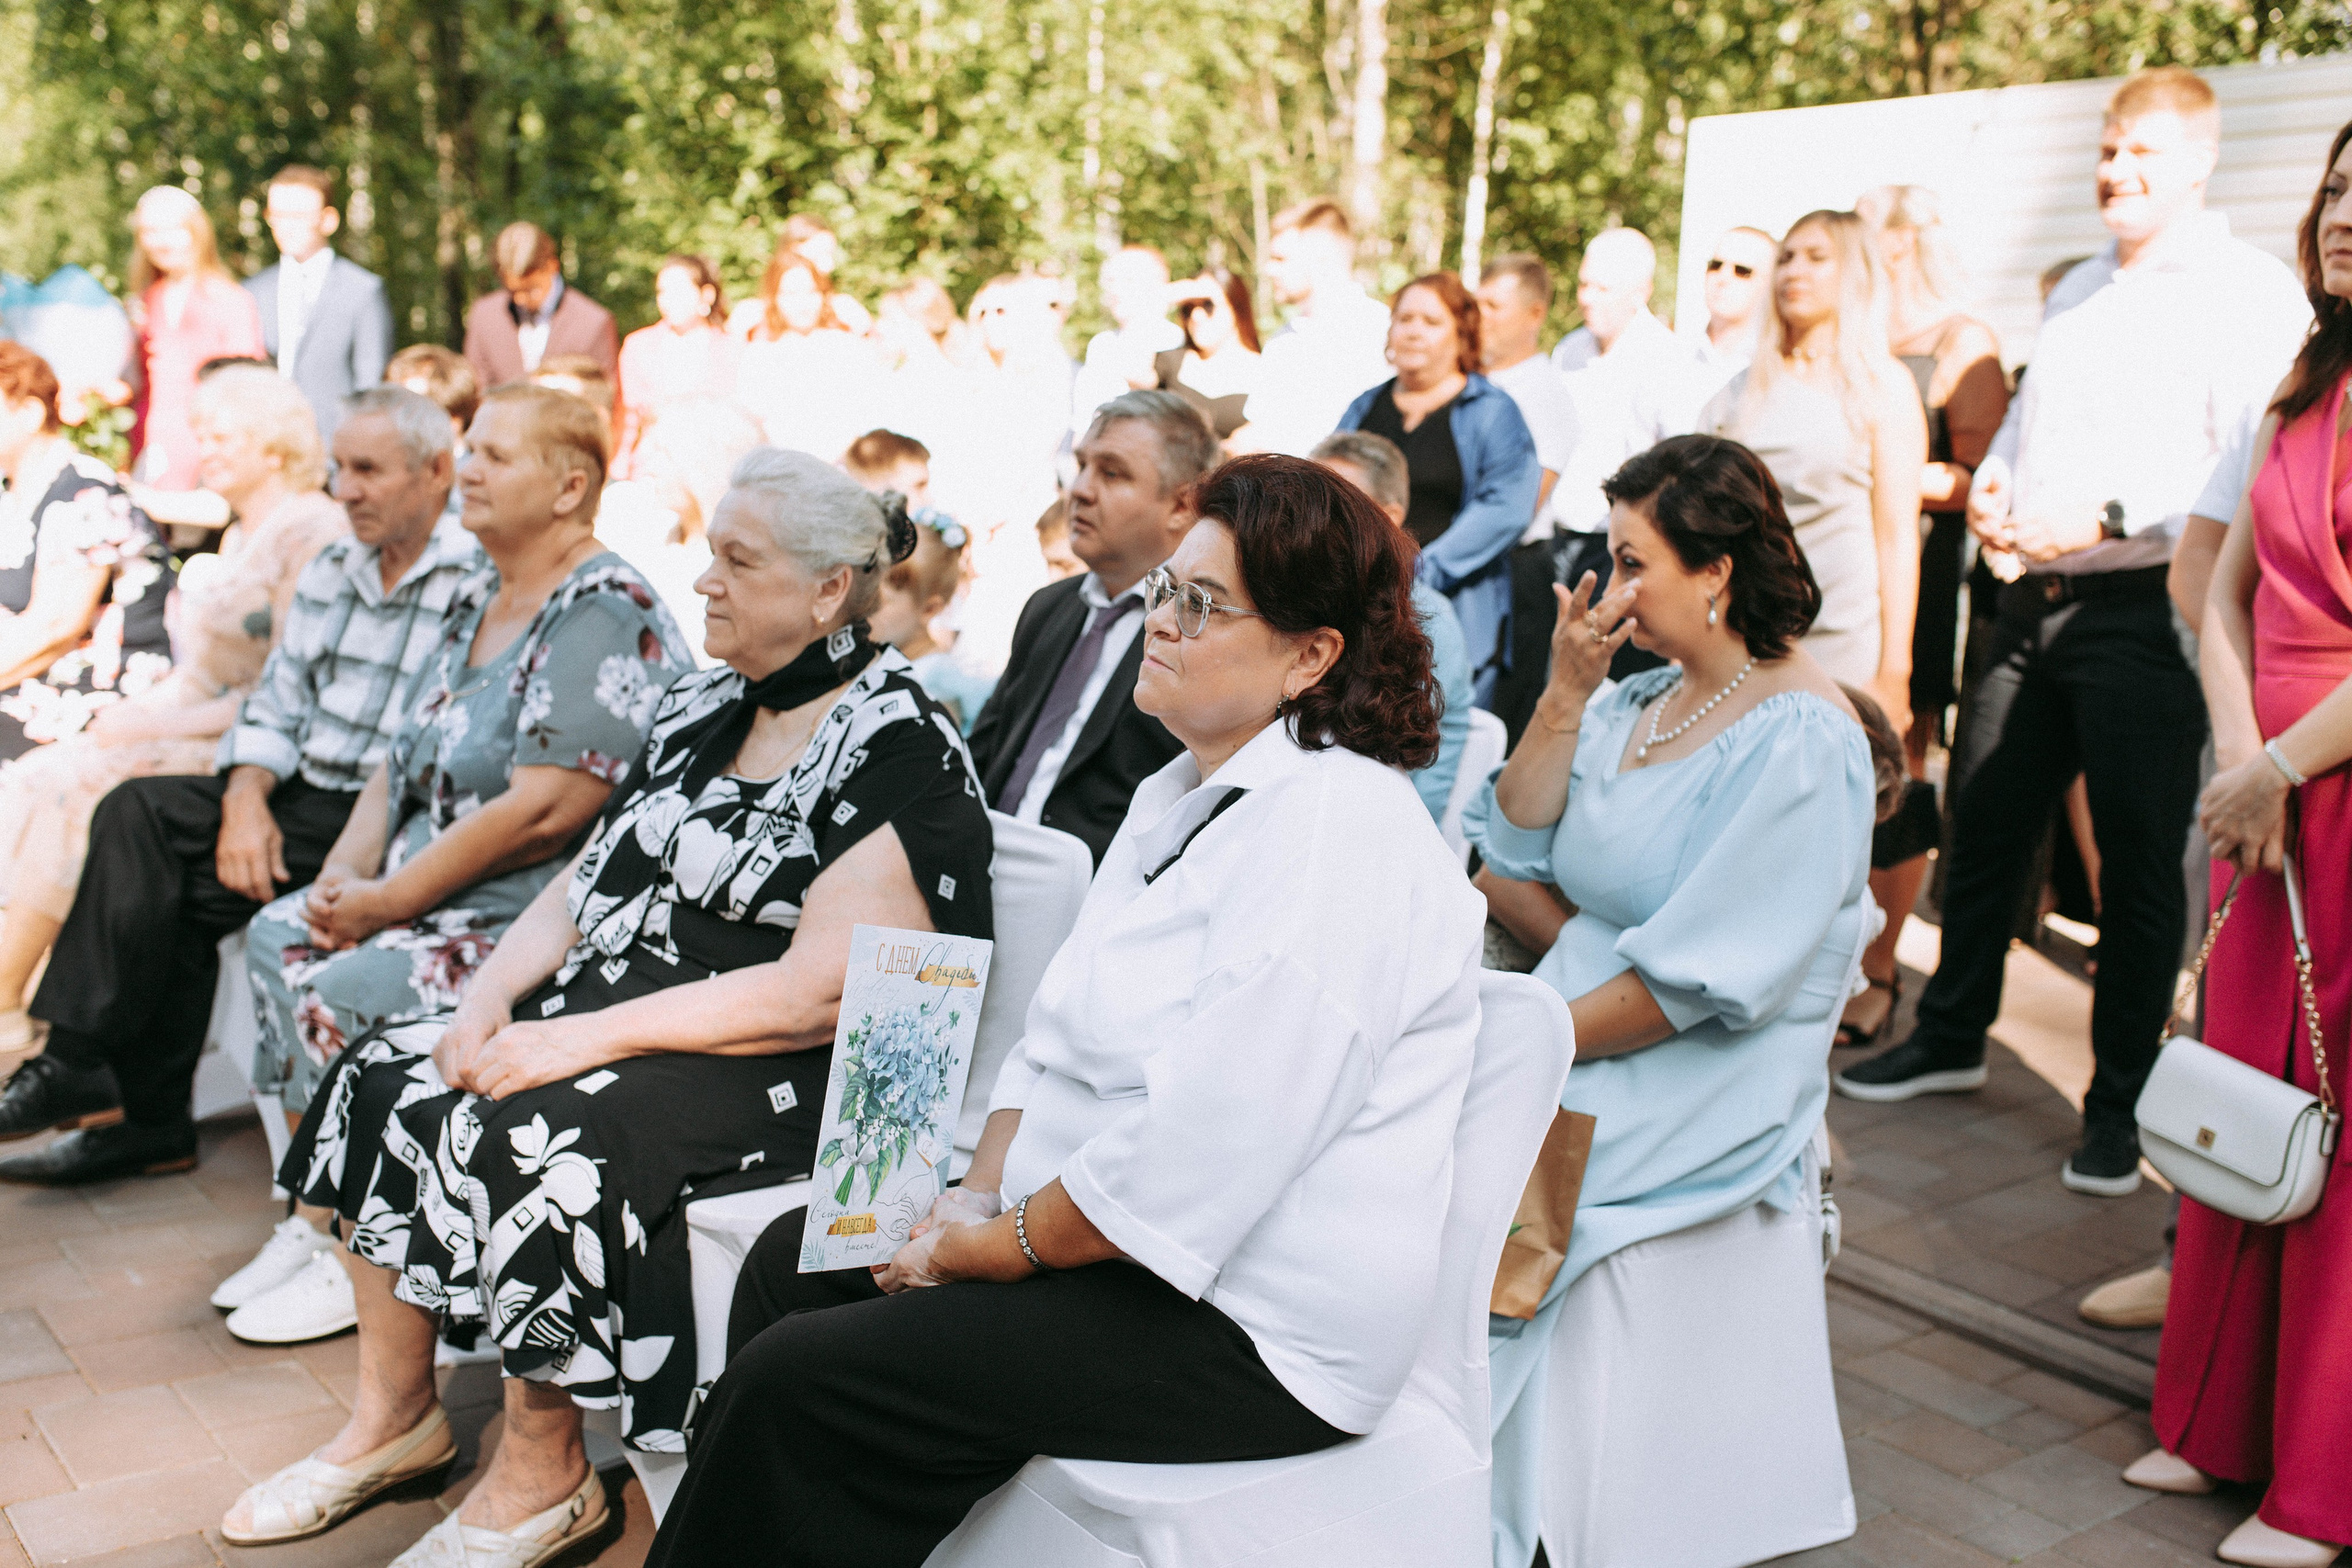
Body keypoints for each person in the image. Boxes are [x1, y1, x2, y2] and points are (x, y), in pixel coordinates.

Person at [650, 454, 1480, 1568]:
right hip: (1101, 1243)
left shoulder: (1343, 836)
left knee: (801, 1384)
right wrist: (972, 1192)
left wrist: (977, 1251)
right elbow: (1051, 1045)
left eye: (1202, 604)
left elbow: (1205, 1150)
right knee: (794, 1261)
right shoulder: (1176, 789)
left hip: (1249, 1321)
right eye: (1164, 592)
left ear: (1310, 655)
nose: (1163, 623)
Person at [220, 451, 990, 1563]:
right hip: (641, 1013)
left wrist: (570, 1039)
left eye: (737, 560)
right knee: (389, 1071)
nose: (705, 580)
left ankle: (543, 1476)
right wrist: (486, 1003)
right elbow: (587, 881)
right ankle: (395, 1422)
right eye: (710, 552)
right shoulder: (703, 702)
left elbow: (817, 994)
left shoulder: (899, 743)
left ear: (829, 590)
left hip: (811, 1070)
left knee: (544, 1132)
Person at [1834, 69, 2315, 1203]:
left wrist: (2098, 518)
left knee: (2143, 865)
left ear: (2198, 162)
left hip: (2143, 612)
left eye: (2142, 153)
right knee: (1987, 824)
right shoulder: (2081, 288)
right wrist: (1999, 489)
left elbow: (2236, 468)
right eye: (2106, 150)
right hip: (2028, 605)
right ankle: (1949, 1035)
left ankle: (2118, 1107)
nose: (2115, 171)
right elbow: (2026, 432)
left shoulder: (2246, 294)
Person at [1472, 434, 1873, 1568]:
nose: (1612, 591)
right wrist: (1561, 693)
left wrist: (1525, 1039)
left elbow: (1693, 987)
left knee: (1492, 1180)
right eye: (1610, 557)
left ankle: (1524, 1511)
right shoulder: (1639, 698)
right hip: (1590, 1019)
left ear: (1717, 571)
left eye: (1635, 562)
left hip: (1701, 1060)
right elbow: (1515, 835)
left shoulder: (1800, 738)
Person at [219, 384, 689, 1346]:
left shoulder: (607, 607)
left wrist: (386, 902)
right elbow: (402, 756)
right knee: (285, 928)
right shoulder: (479, 588)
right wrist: (346, 882)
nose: (467, 471)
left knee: (347, 980)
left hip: (531, 916)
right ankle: (320, 1220)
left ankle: (364, 1238)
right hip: (440, 889)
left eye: (494, 457)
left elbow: (543, 810)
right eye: (467, 451)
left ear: (569, 488)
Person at [0, 388, 476, 1185]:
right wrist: (245, 798)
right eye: (339, 469)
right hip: (299, 790)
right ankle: (109, 1088)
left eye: (368, 471)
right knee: (138, 818)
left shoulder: (471, 576)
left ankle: (108, 1085)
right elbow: (276, 700)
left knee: (171, 880)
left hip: (384, 817)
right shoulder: (335, 566)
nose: (347, 489)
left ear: (435, 471)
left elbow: (425, 752)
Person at [2122, 122, 2352, 1568]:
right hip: (2257, 795)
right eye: (2340, 192)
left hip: (2332, 785)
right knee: (2234, 1091)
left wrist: (2278, 760)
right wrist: (2232, 757)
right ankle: (2212, 1422)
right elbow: (2215, 591)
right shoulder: (2296, 389)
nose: (2346, 219)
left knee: (2336, 1111)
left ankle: (2318, 1484)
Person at [0, 365, 344, 1050]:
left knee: (73, 784)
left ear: (271, 445)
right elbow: (200, 674)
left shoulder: (310, 531)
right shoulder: (244, 530)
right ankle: (23, 1006)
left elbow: (285, 688)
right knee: (46, 769)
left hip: (262, 745)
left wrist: (150, 724)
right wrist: (133, 715)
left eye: (218, 437)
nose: (203, 450)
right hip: (202, 717)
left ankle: (19, 1013)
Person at [1699, 210, 1929, 1064]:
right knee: (1752, 821)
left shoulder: (1880, 387)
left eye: (1816, 256)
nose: (1794, 269)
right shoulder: (1740, 388)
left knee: (1852, 828)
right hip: (1748, 640)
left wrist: (1898, 669)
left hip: (1846, 640)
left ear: (1855, 273)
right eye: (1787, 255)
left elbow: (1900, 534)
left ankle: (1864, 978)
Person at [1835, 185, 2012, 1043]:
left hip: (1917, 571)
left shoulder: (1960, 339)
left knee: (1893, 765)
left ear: (1901, 243)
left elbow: (1978, 474)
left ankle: (1880, 968)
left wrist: (1884, 472)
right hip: (1839, 566)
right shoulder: (1858, 337)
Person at [965, 391, 1215, 864]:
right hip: (982, 868)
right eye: (1081, 465)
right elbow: (982, 756)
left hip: (1105, 897)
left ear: (1182, 505)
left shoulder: (1200, 625)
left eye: (1112, 473)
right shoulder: (1049, 607)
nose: (1080, 489)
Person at [1338, 271, 1541, 705]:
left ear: (1461, 334)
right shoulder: (1364, 405)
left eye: (1430, 322)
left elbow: (1507, 505)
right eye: (1404, 318)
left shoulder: (1491, 411)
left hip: (1452, 608)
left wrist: (1419, 569)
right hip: (1360, 607)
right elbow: (1329, 486)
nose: (1413, 331)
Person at [0, 343, 175, 769]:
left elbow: (55, 628)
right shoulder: (13, 495)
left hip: (95, 690)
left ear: (29, 414)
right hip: (27, 677)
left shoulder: (84, 492)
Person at [1312, 429, 1473, 822]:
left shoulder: (1428, 619)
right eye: (1310, 502)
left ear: (1390, 517)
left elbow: (1422, 758)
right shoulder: (1291, 591)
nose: (1317, 521)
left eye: (1340, 506)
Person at [1475, 253, 1587, 744]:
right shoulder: (1470, 382)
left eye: (1494, 306)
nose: (1479, 317)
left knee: (1497, 719)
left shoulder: (1545, 394)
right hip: (1470, 568)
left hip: (1515, 572)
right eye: (1477, 304)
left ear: (1535, 314)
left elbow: (1523, 503)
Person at [597, 397, 766, 662]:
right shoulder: (646, 534)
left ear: (704, 465)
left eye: (662, 453)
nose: (647, 465)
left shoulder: (746, 563)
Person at [125, 186, 268, 489]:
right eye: (151, 231)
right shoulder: (144, 302)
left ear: (196, 231)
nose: (161, 242)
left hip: (208, 452)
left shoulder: (230, 300)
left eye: (172, 229)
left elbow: (245, 390)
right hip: (148, 450)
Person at [244, 165, 392, 446]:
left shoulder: (362, 290)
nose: (287, 226)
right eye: (278, 216)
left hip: (334, 449)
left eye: (299, 216)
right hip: (266, 448)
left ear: (328, 220)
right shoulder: (252, 291)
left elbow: (370, 386)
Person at [1241, 198, 1394, 457]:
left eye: (1281, 258)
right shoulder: (1282, 341)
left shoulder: (1380, 332)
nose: (1268, 269)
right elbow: (1259, 433)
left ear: (1321, 259)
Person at [733, 239, 885, 462]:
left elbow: (868, 412)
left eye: (811, 292)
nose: (802, 304)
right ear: (774, 298)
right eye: (790, 294)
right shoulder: (759, 356)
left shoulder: (847, 348)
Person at [612, 254, 739, 479]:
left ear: (706, 295)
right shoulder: (639, 345)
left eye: (679, 291)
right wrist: (620, 462)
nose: (668, 300)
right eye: (662, 292)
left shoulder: (731, 347)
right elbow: (629, 415)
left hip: (714, 466)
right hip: (654, 466)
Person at [462, 221, 620, 389]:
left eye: (531, 290)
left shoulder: (593, 322)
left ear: (553, 266)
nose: (520, 300)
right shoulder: (485, 315)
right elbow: (476, 389)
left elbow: (603, 397)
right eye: (512, 291)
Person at [1069, 244, 1182, 430]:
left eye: (1128, 280)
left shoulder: (1176, 341)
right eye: (1111, 280)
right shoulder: (1101, 344)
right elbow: (1084, 422)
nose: (1115, 290)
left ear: (1157, 285)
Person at [1156, 269, 1263, 442]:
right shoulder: (1169, 361)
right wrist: (1163, 298)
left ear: (1236, 307)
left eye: (1208, 305)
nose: (1196, 316)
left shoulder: (1268, 369)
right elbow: (1132, 372)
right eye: (1188, 308)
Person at [725, 213, 873, 338]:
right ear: (793, 250)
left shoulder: (843, 309)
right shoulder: (753, 314)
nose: (830, 265)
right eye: (821, 254)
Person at [1691, 225, 1780, 395]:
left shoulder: (1776, 369)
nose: (1723, 278)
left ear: (1770, 284)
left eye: (1742, 271)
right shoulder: (1671, 358)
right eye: (1715, 265)